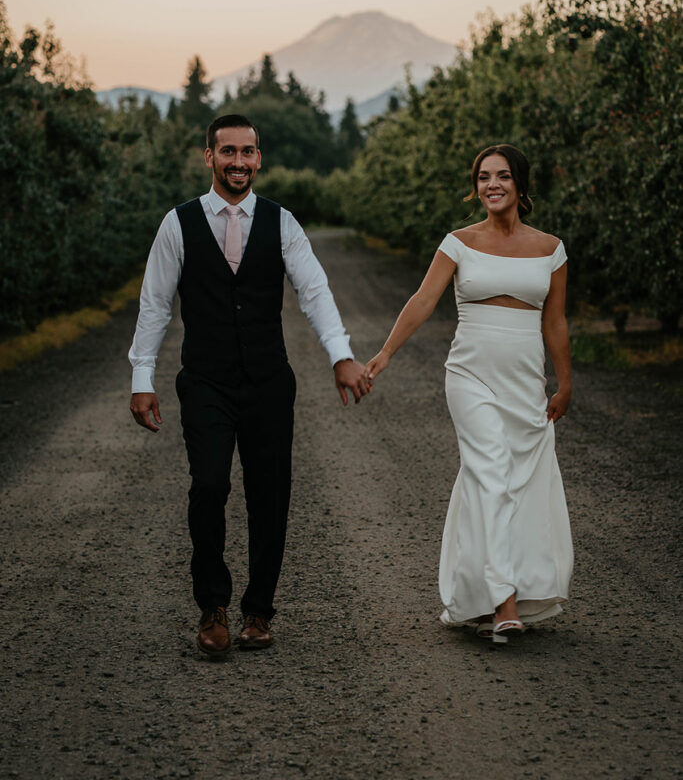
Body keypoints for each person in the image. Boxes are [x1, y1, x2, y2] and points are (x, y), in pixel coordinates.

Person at [129, 113, 369, 656]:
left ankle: (258, 610)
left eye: (248, 152)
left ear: (259, 159)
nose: (239, 161)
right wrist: (142, 376)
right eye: (228, 151)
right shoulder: (179, 223)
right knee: (208, 487)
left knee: (270, 495)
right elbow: (155, 305)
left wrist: (341, 356)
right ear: (208, 157)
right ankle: (212, 605)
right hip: (206, 381)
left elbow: (315, 292)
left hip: (267, 382)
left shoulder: (282, 223)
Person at [364, 143, 573, 643]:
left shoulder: (551, 249)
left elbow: (556, 322)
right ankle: (503, 601)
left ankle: (480, 592)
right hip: (470, 376)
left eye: (501, 176)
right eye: (483, 177)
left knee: (514, 480)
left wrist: (565, 382)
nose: (491, 185)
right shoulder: (458, 242)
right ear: (475, 185)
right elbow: (423, 300)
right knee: (490, 472)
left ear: (520, 185)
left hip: (525, 383)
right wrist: (386, 353)